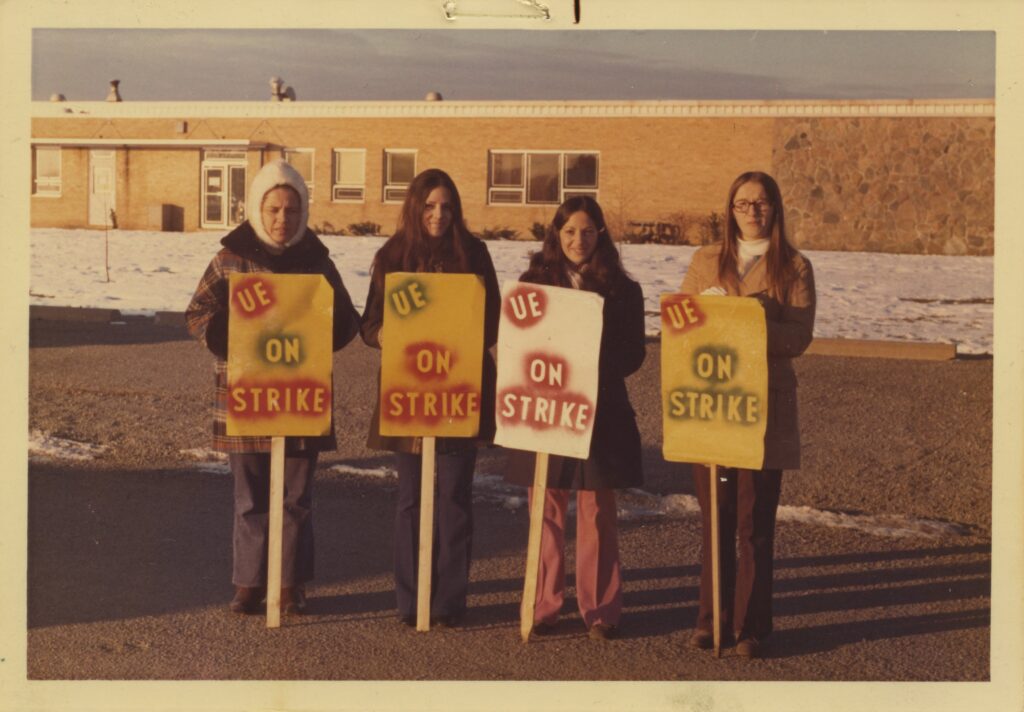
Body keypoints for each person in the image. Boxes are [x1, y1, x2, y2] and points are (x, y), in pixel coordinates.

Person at [186, 160, 360, 616]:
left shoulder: (317, 262)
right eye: (274, 209)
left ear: (304, 213)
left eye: (292, 210)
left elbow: (347, 319)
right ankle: (249, 581)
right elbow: (197, 312)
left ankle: (290, 583)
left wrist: (330, 324)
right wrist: (225, 331)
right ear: (257, 210)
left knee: (296, 497)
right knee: (250, 496)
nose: (283, 219)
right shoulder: (230, 258)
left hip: (300, 395)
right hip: (246, 395)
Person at [680, 171, 816, 658]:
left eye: (761, 203)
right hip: (712, 403)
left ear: (775, 209)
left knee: (754, 523)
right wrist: (705, 312)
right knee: (715, 517)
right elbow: (682, 322)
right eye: (742, 204)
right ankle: (710, 620)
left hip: (763, 408)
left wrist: (745, 320)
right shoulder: (706, 260)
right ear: (729, 209)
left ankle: (752, 627)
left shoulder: (794, 266)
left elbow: (798, 336)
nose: (752, 211)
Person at [360, 168, 500, 628]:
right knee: (411, 499)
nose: (438, 215)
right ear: (415, 208)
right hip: (409, 391)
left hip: (459, 390)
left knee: (455, 496)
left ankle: (448, 601)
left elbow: (493, 321)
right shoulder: (393, 254)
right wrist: (387, 336)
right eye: (429, 206)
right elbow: (369, 324)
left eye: (447, 206)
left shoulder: (473, 254)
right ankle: (410, 598)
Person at [503, 196, 646, 641]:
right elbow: (515, 344)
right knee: (545, 506)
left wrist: (589, 356)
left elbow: (633, 354)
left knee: (596, 509)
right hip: (545, 409)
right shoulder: (534, 284)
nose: (577, 240)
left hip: (599, 411)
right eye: (568, 232)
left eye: (587, 231)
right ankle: (543, 603)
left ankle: (601, 608)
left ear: (600, 234)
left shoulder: (622, 288)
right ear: (556, 235)